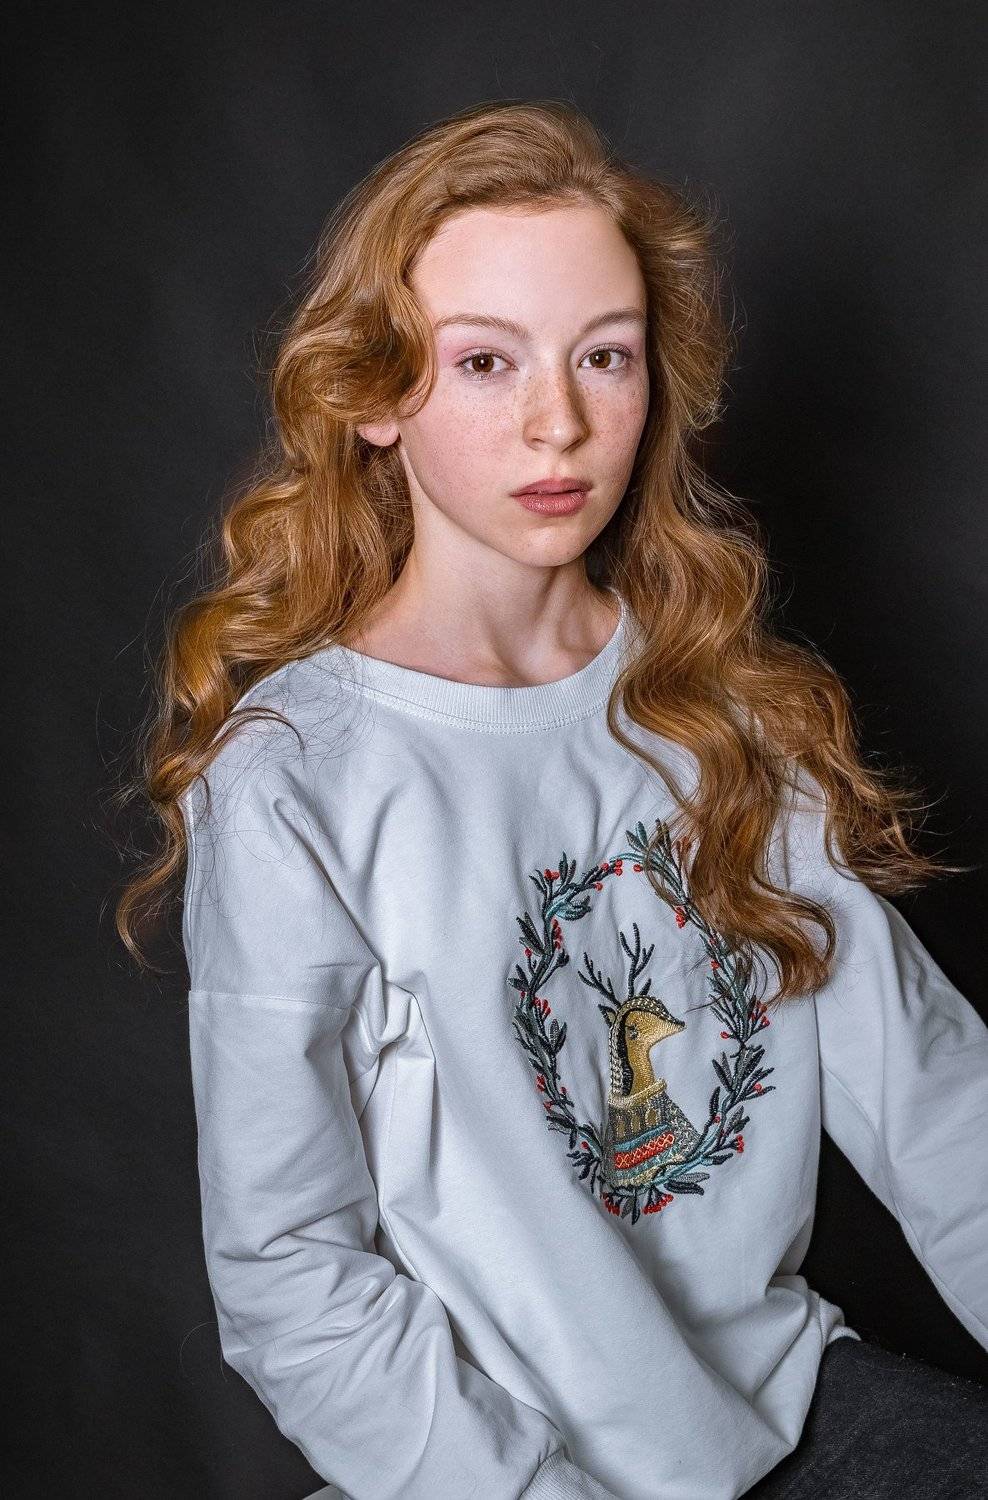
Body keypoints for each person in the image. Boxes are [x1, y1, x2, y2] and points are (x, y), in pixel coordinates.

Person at [117, 100, 988, 1499]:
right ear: (378, 397)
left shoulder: (723, 704)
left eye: (605, 355)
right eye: (485, 361)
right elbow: (290, 1274)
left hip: (785, 1410)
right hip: (496, 1467)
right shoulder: (298, 777)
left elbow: (940, 1108)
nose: (560, 423)